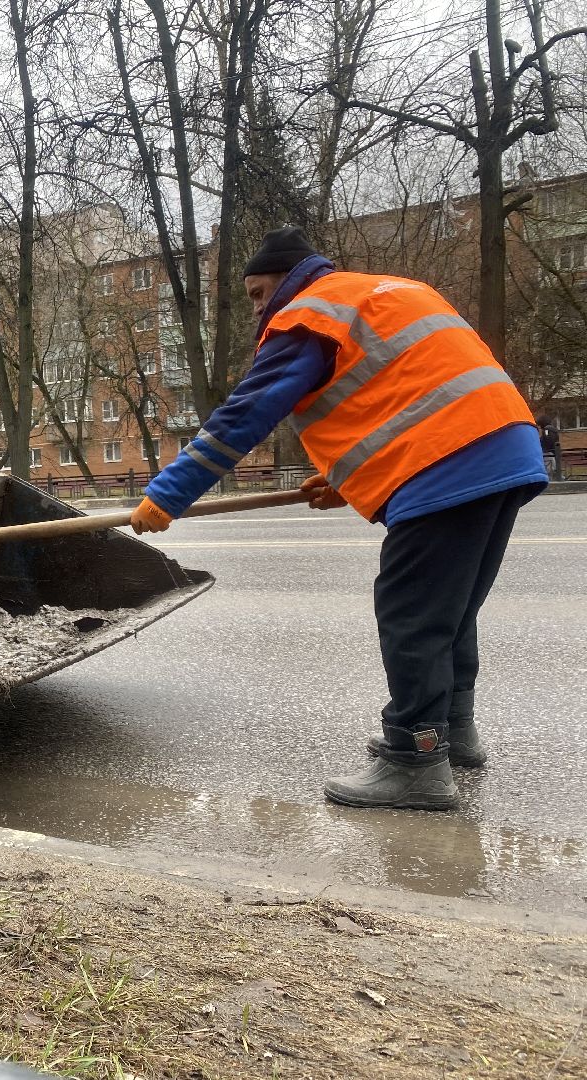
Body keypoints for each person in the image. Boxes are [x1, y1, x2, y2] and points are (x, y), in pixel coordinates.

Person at [129, 225, 548, 810]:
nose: (258, 309)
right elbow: (408, 390)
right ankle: (451, 734)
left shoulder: (310, 314)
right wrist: (349, 476)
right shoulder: (385, 291)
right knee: (448, 611)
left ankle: (416, 762)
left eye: (258, 293)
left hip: (448, 460)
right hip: (501, 447)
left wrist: (169, 494)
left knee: (411, 614)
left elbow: (246, 414)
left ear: (290, 279)